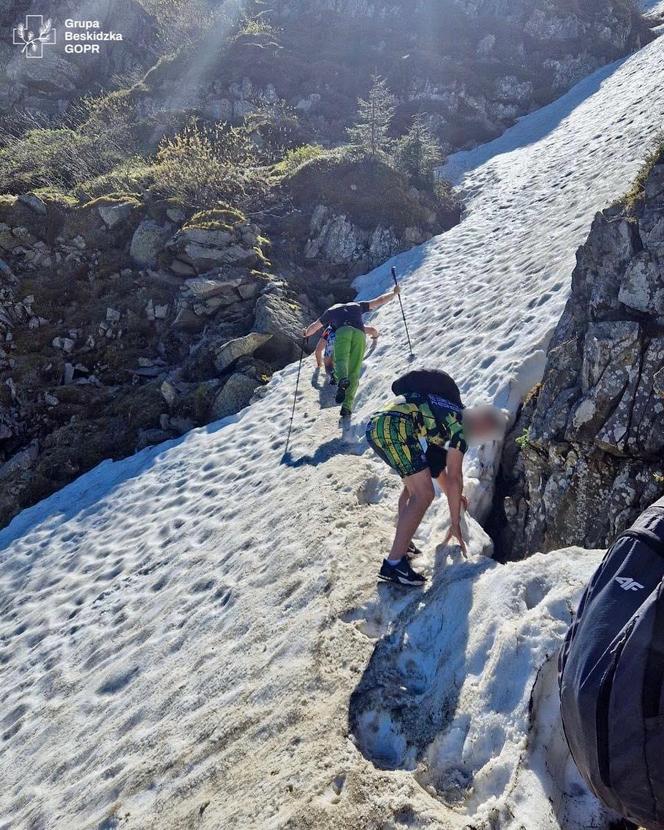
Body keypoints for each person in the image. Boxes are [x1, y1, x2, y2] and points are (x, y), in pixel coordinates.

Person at [366, 372, 507, 586]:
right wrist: (455, 522)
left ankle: (403, 547)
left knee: (413, 490)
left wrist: (455, 497)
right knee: (424, 494)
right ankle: (394, 565)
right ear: (482, 421)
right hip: (395, 427)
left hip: (381, 424)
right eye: (485, 433)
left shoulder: (447, 415)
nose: (480, 438)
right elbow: (455, 475)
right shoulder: (460, 427)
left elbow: (441, 473)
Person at [304, 288, 399, 418]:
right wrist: (394, 293)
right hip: (360, 334)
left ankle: (342, 379)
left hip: (343, 332)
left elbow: (315, 326)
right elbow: (379, 301)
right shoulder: (356, 306)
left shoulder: (331, 311)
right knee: (354, 371)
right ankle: (347, 407)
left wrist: (306, 333)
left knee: (340, 360)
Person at [315, 324, 380, 385]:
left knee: (328, 364)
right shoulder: (355, 323)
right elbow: (372, 330)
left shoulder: (329, 329)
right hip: (351, 337)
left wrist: (319, 364)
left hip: (334, 336)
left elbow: (318, 350)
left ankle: (332, 376)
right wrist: (375, 338)